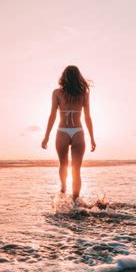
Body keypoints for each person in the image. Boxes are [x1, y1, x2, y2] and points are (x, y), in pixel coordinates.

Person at [41, 65, 96, 200]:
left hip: (62, 131)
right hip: (78, 132)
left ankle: (64, 188)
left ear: (64, 77)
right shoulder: (84, 94)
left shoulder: (57, 93)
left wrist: (46, 137)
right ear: (79, 77)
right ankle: (75, 201)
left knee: (63, 164)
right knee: (76, 170)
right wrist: (92, 138)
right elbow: (88, 117)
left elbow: (52, 116)